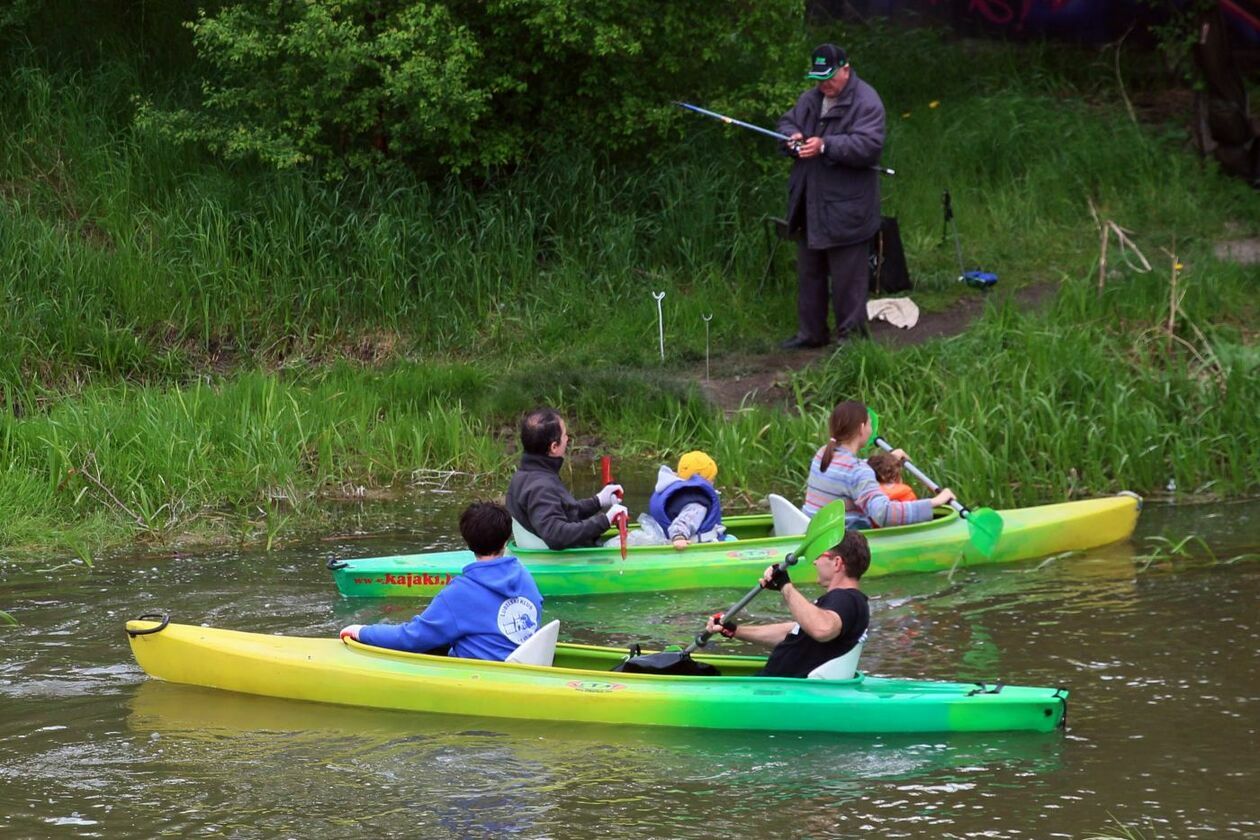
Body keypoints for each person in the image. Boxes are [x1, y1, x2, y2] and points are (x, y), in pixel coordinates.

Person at [777, 43, 886, 350]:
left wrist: (825, 145)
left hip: (848, 208)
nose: (823, 84)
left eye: (829, 76)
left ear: (845, 69)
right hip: (809, 203)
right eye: (818, 77)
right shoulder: (811, 99)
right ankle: (811, 334)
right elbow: (787, 122)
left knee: (847, 280)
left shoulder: (867, 101)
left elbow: (869, 146)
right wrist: (792, 138)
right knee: (809, 273)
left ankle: (851, 341)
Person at [338, 501, 543, 661]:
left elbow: (412, 637)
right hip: (522, 664)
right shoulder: (524, 576)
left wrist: (362, 632)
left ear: (468, 543)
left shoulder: (459, 593)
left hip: (481, 676)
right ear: (506, 539)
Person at [705, 507, 871, 678]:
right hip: (772, 687)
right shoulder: (842, 604)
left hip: (781, 691)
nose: (814, 562)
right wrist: (735, 630)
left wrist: (786, 586)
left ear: (837, 563)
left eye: (820, 556)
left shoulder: (847, 599)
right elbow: (791, 632)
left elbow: (822, 629)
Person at [803, 400, 955, 528]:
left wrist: (889, 459)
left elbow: (849, 472)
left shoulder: (823, 453)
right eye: (869, 423)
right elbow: (883, 514)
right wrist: (935, 502)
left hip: (812, 527)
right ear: (862, 428)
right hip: (840, 541)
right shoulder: (857, 471)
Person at [505, 407, 627, 550]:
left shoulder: (528, 474)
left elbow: (565, 511)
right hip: (554, 561)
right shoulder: (541, 487)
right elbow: (557, 535)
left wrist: (598, 501)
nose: (567, 439)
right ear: (554, 447)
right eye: (564, 435)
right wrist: (605, 520)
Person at [647, 450, 726, 550]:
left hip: (667, 538)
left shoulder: (675, 490)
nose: (713, 483)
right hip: (699, 548)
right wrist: (679, 537)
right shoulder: (697, 503)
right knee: (733, 541)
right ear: (703, 480)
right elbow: (683, 521)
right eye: (712, 479)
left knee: (730, 538)